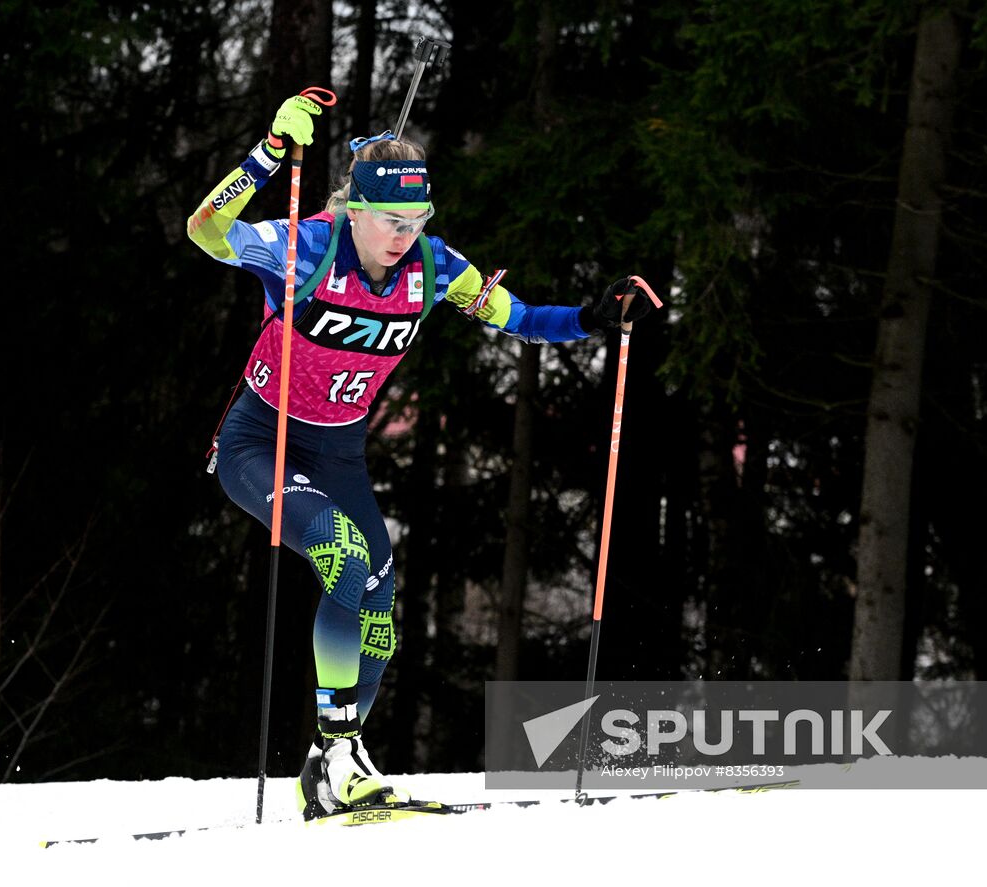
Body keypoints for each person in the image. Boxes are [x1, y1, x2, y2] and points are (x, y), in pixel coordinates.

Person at [186, 94, 651, 820]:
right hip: (261, 439)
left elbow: (520, 317)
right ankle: (342, 753)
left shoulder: (434, 268)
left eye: (418, 221)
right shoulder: (307, 245)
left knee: (380, 610)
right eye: (391, 221)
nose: (405, 235)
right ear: (354, 211)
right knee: (340, 556)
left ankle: (329, 763)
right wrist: (272, 149)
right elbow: (207, 229)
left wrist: (595, 318)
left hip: (338, 450)